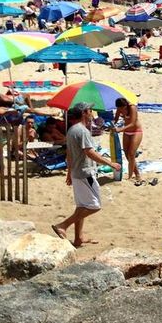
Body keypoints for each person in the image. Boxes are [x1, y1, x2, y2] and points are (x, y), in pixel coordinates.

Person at [52, 104, 120, 248]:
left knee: (81, 206)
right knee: (94, 206)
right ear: (84, 113)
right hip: (85, 173)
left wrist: (69, 172)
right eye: (90, 111)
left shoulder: (72, 130)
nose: (91, 113)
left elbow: (69, 154)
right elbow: (89, 152)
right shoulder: (82, 131)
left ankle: (78, 238)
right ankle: (63, 225)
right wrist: (110, 163)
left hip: (77, 173)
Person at [111, 97, 146, 185]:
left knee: (131, 153)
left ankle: (137, 175)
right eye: (119, 109)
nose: (121, 110)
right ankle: (135, 173)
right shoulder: (119, 108)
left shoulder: (132, 107)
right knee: (127, 154)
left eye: (122, 108)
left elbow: (133, 123)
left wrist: (120, 129)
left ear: (125, 105)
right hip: (127, 132)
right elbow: (116, 119)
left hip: (136, 131)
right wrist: (111, 124)